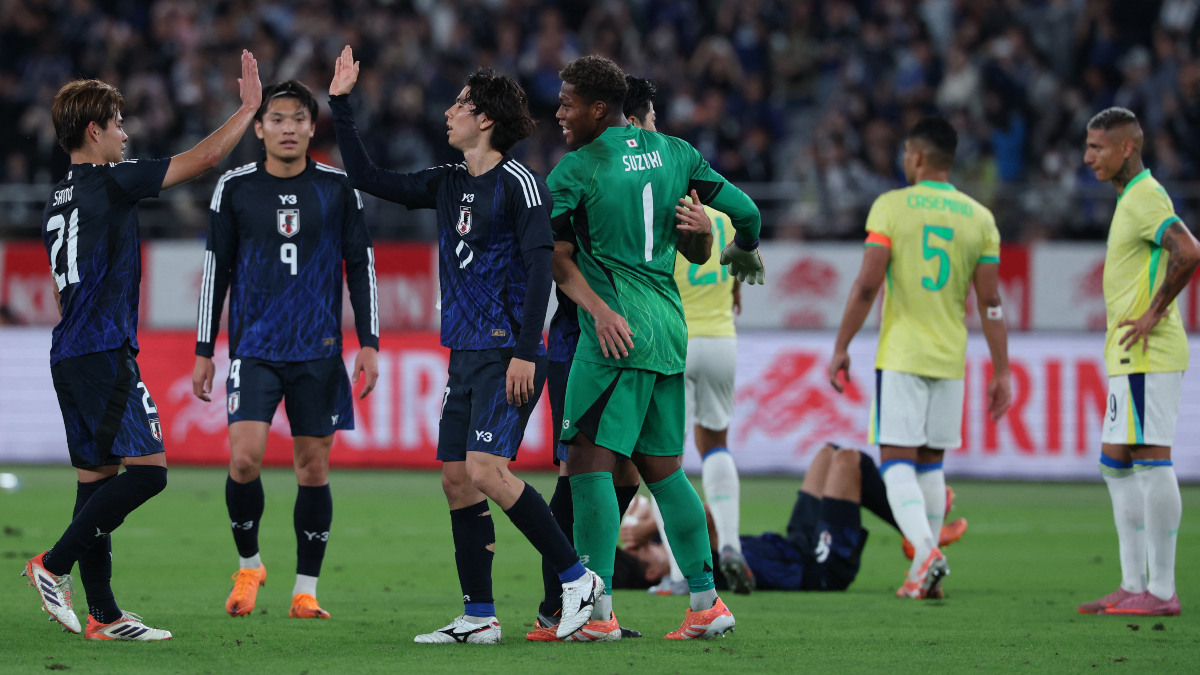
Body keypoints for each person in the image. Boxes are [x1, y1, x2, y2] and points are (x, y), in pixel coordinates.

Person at [327, 46, 599, 644]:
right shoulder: (447, 183)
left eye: (460, 104)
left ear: (485, 120)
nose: (448, 112)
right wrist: (340, 106)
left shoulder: (522, 185)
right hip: (464, 353)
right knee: (456, 478)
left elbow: (538, 274)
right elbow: (370, 179)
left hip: (509, 355)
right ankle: (479, 616)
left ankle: (578, 579)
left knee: (486, 470)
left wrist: (527, 352)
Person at [25, 50, 261, 641]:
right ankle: (52, 566)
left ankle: (104, 616)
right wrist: (248, 109)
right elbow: (204, 158)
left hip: (70, 350)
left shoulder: (58, 198)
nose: (127, 136)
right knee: (150, 473)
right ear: (93, 131)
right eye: (119, 125)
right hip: (102, 351)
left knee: (96, 483)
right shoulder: (111, 181)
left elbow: (61, 288)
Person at [549, 55, 764, 641]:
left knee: (587, 465)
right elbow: (746, 214)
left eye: (567, 104)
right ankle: (705, 603)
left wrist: (598, 311)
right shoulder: (678, 154)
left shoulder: (576, 170)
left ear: (599, 109)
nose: (559, 113)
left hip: (615, 334)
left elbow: (558, 260)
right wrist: (738, 249)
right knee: (665, 471)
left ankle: (597, 616)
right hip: (671, 329)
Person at [191, 79, 380, 621]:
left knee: (312, 469)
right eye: (277, 119)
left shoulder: (339, 187)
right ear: (259, 128)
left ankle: (305, 590)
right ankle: (250, 566)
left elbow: (360, 267)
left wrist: (369, 343)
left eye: (299, 118)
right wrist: (204, 348)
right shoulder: (234, 187)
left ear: (312, 126)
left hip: (318, 351)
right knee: (244, 459)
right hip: (254, 349)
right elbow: (215, 271)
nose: (289, 128)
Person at [827, 116, 1011, 600]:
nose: (904, 159)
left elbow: (868, 284)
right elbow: (991, 303)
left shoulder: (891, 207)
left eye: (907, 152)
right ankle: (919, 576)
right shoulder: (979, 218)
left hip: (905, 352)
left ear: (920, 157)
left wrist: (842, 345)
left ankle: (926, 553)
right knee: (930, 462)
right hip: (952, 355)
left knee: (895, 461)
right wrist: (1003, 369)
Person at [623, 74, 753, 596]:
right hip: (722, 338)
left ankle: (681, 574)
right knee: (717, 443)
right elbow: (739, 282)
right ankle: (732, 546)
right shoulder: (721, 213)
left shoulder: (661, 207)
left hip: (675, 340)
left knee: (663, 459)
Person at [1076, 107, 1200, 617]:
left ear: (1127, 147)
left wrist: (1154, 312)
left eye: (1097, 147)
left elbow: (1189, 251)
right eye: (1087, 147)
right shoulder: (1131, 199)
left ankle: (1163, 591)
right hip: (1129, 355)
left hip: (1150, 353)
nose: (1088, 158)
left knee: (1151, 463)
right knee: (1115, 464)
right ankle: (1132, 584)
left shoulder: (1146, 196)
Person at [615, 443, 968, 592]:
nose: (657, 543)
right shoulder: (695, 566)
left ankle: (915, 531)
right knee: (850, 462)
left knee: (827, 453)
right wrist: (648, 526)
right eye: (650, 550)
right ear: (650, 571)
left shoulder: (673, 561)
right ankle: (916, 532)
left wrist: (646, 523)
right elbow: (705, 516)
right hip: (818, 568)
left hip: (793, 544)